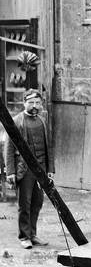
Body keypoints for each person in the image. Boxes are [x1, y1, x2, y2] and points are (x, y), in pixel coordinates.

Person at [4, 90, 53, 249]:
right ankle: (24, 237)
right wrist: (10, 172)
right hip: (24, 170)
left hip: (41, 170)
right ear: (24, 103)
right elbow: (8, 148)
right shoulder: (17, 121)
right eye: (31, 102)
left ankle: (32, 234)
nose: (34, 106)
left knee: (37, 203)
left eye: (37, 103)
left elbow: (48, 146)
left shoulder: (42, 121)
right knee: (24, 204)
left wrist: (50, 169)